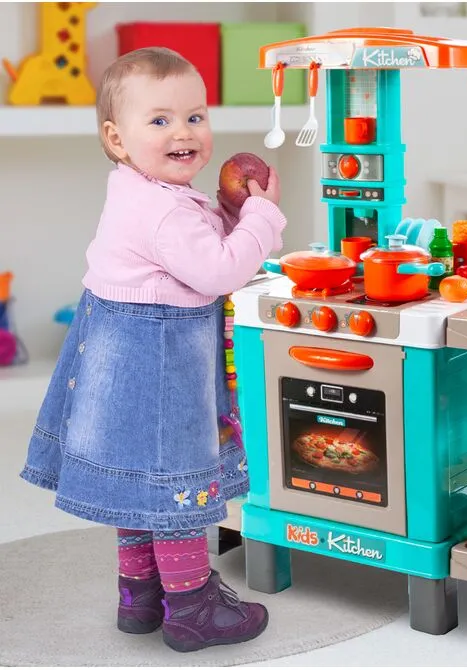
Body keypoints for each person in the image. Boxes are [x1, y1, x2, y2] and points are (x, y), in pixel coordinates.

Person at [20, 47, 285, 653]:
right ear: (116, 138)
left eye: (195, 117)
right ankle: (190, 605)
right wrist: (262, 217)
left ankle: (139, 593)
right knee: (174, 481)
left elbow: (195, 249)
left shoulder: (144, 191)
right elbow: (219, 271)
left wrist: (229, 213)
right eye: (160, 120)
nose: (183, 133)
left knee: (141, 480)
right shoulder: (164, 210)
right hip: (158, 359)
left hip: (123, 352)